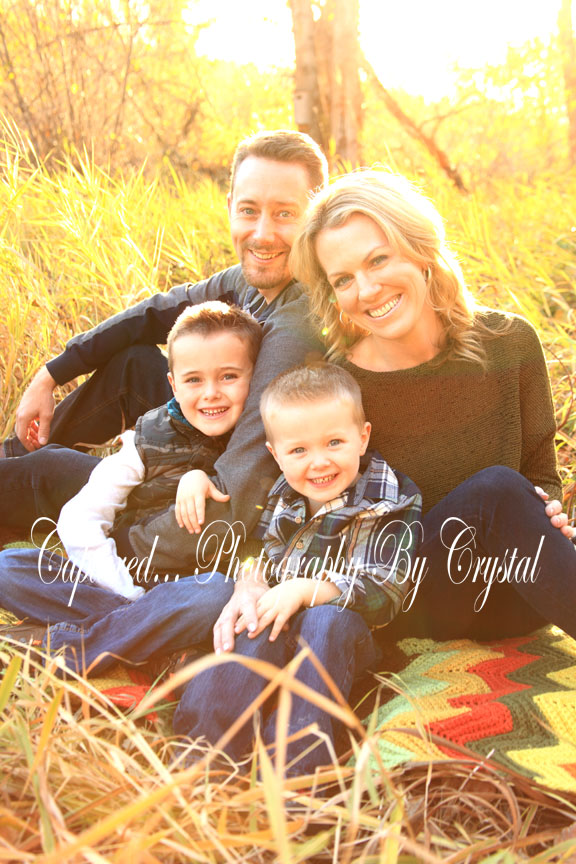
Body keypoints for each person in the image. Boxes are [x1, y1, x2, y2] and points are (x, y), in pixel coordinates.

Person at [12, 363, 421, 776]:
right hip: (273, 623)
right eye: (299, 451)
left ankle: (297, 772)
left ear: (362, 437)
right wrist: (249, 581)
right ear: (275, 455)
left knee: (324, 620)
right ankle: (205, 761)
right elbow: (254, 547)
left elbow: (386, 589)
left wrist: (305, 590)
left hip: (340, 640)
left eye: (334, 442)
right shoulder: (281, 492)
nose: (318, 462)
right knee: (247, 625)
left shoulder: (389, 498)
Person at [0, 129, 326, 587]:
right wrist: (51, 373)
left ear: (316, 215)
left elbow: (238, 492)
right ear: (230, 206)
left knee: (48, 470)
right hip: (205, 435)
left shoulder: (295, 329)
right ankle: (12, 457)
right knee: (134, 366)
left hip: (202, 499)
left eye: (285, 214)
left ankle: (22, 480)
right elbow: (153, 314)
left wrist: (122, 545)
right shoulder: (249, 280)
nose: (262, 233)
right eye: (249, 210)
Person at [288, 169, 576, 645]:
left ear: (420, 248)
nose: (367, 290)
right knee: (497, 489)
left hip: (511, 595)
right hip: (405, 598)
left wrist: (548, 514)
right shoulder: (339, 388)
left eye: (378, 259)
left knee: (507, 494)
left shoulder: (511, 342)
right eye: (343, 279)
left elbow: (540, 473)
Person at [57, 301, 262, 600]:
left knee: (212, 595)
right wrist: (128, 595)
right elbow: (79, 519)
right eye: (193, 380)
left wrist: (199, 478)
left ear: (256, 377)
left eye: (228, 376)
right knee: (11, 567)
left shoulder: (258, 442)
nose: (211, 393)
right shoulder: (147, 441)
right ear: (173, 385)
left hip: (207, 592)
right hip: (131, 582)